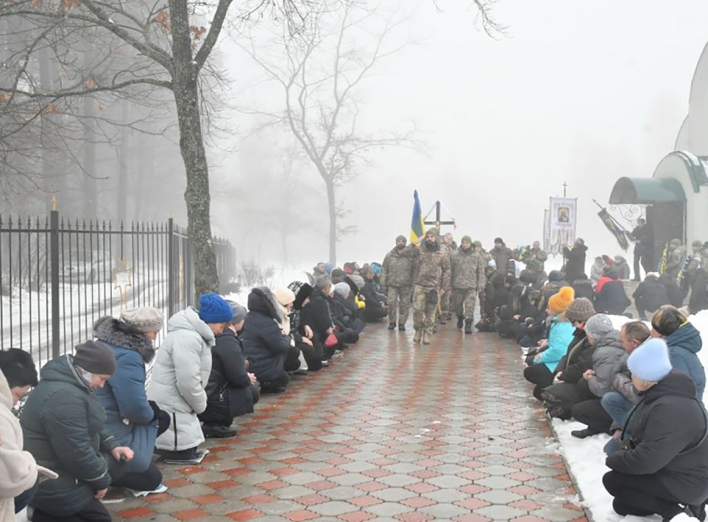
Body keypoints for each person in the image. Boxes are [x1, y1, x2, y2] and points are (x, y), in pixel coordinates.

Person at [21, 341, 133, 522]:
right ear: (86, 372)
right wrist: (101, 481)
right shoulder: (65, 397)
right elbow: (76, 452)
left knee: (121, 462)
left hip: (61, 468)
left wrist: (113, 445)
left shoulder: (74, 384)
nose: (102, 385)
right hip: (50, 479)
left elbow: (91, 422)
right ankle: (38, 513)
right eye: (102, 378)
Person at [603, 338, 708, 521]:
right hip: (675, 468)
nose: (631, 377)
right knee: (622, 505)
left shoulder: (670, 408)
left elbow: (647, 460)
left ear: (645, 378)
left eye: (633, 373)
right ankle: (677, 505)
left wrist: (614, 459)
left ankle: (675, 512)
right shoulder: (663, 394)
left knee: (612, 480)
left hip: (689, 481)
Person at [148, 293, 233, 463]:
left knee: (188, 445)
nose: (221, 331)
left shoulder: (193, 335)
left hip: (177, 400)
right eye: (221, 326)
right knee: (182, 450)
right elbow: (188, 381)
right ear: (211, 321)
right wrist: (200, 404)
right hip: (172, 401)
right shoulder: (188, 338)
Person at [93, 308, 169, 496]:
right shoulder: (128, 356)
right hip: (108, 428)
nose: (154, 337)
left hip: (99, 420)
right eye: (154, 332)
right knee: (151, 480)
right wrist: (152, 414)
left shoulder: (105, 343)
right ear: (141, 333)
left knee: (160, 417)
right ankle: (107, 471)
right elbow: (134, 409)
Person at [200, 301, 259, 438]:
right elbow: (236, 375)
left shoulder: (220, 336)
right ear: (236, 321)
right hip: (210, 397)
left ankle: (217, 421)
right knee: (251, 391)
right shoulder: (227, 340)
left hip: (207, 393)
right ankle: (214, 423)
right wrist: (246, 377)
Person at [569, 315, 625, 438]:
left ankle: (609, 428)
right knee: (583, 384)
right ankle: (593, 427)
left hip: (616, 399)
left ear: (593, 335)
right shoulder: (614, 341)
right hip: (618, 392)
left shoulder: (603, 352)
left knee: (578, 410)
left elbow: (602, 389)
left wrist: (590, 378)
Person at [0, 349, 40, 519]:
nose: (16, 401)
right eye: (18, 394)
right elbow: (11, 479)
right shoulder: (2, 417)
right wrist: (30, 465)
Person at [601, 321, 651, 454]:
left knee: (611, 451)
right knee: (610, 398)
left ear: (634, 342)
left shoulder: (649, 358)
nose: (620, 343)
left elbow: (639, 393)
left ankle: (637, 436)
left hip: (649, 413)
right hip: (638, 410)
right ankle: (628, 432)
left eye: (622, 340)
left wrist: (616, 379)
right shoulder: (633, 355)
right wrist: (618, 427)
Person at [242, 287, 300, 394]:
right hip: (259, 364)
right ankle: (265, 381)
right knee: (284, 379)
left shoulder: (248, 317)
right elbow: (280, 346)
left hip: (249, 360)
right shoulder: (266, 322)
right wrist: (286, 337)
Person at [522, 287, 575, 400]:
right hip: (560, 361)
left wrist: (540, 357)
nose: (546, 310)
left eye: (549, 307)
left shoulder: (561, 325)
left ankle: (549, 385)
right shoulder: (560, 323)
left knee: (531, 372)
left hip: (559, 364)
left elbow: (559, 351)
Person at [651, 305, 705, 403]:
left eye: (654, 328)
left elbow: (678, 389)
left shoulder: (673, 353)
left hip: (684, 413)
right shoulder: (681, 347)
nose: (650, 332)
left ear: (662, 332)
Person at [411, 228, 451, 345]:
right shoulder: (419, 250)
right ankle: (418, 330)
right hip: (420, 284)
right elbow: (406, 253)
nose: (429, 239)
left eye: (431, 236)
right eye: (427, 236)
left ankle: (427, 333)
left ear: (436, 238)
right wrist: (416, 241)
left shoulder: (443, 251)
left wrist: (444, 287)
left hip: (434, 286)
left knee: (431, 312)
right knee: (417, 310)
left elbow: (447, 270)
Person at [450, 235, 486, 334]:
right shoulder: (455, 255)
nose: (465, 245)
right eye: (463, 243)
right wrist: (449, 283)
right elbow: (450, 270)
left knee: (470, 306)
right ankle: (460, 317)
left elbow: (481, 272)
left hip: (471, 286)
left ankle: (468, 323)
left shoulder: (477, 256)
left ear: (470, 244)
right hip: (457, 285)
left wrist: (480, 285)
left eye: (467, 243)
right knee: (458, 306)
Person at [380, 235, 416, 331]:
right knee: (391, 303)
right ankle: (392, 322)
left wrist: (414, 283)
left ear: (405, 242)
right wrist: (383, 282)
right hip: (392, 284)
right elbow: (384, 269)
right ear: (396, 242)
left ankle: (402, 323)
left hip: (406, 284)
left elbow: (414, 270)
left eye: (402, 241)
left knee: (405, 305)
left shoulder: (410, 255)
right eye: (398, 241)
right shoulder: (389, 255)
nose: (400, 243)